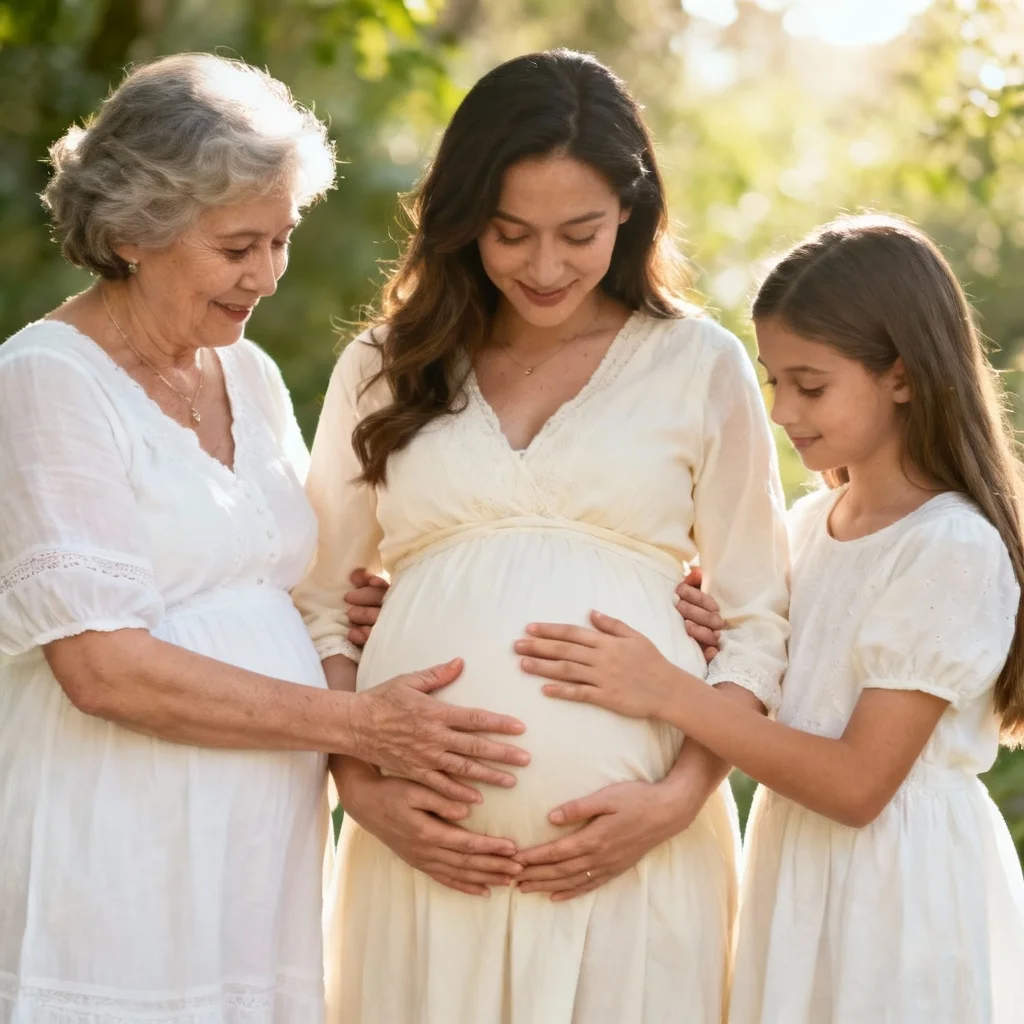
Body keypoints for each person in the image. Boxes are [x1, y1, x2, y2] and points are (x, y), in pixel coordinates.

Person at [0, 53, 528, 1024]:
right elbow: (103, 667)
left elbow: (281, 578)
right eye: (237, 245)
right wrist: (363, 727)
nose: (268, 275)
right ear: (132, 234)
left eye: (281, 239)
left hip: (253, 860)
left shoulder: (246, 375)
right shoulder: (46, 380)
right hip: (122, 842)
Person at [292, 49, 790, 1024]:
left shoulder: (699, 364)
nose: (546, 266)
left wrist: (677, 796)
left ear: (631, 215)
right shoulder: (382, 364)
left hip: (631, 855)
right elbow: (315, 600)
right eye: (510, 233)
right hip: (421, 859)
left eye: (580, 233)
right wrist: (364, 788)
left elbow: (757, 619)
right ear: (462, 217)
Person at [516, 214, 1024, 1023]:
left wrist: (667, 693)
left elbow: (858, 785)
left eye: (811, 384)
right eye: (773, 380)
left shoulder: (949, 547)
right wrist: (696, 633)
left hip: (896, 894)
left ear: (902, 376)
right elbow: (775, 684)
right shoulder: (802, 530)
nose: (783, 411)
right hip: (799, 872)